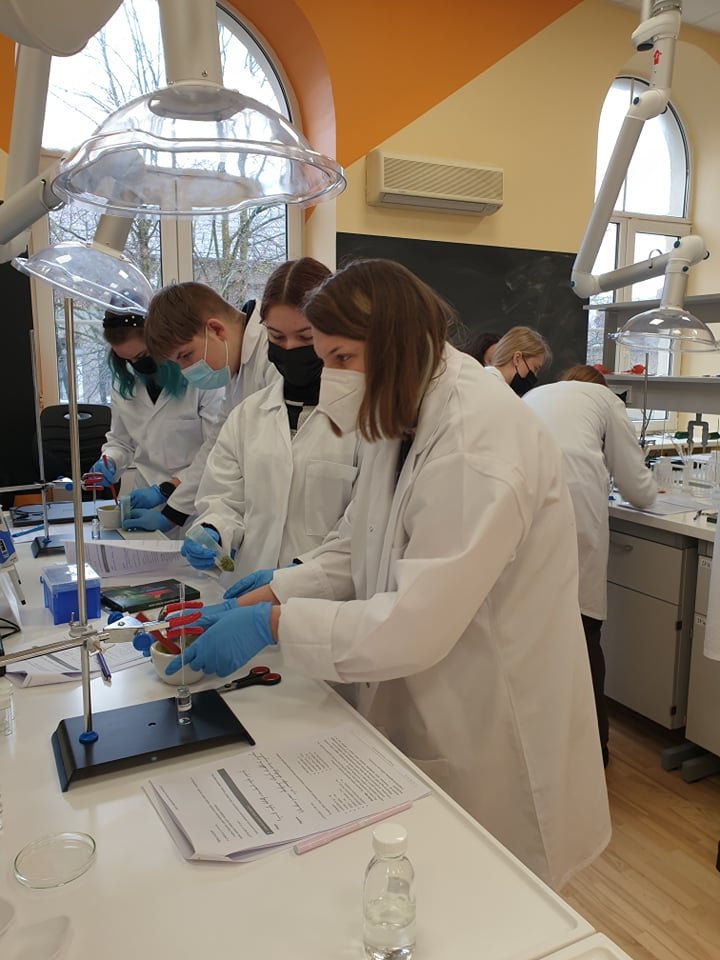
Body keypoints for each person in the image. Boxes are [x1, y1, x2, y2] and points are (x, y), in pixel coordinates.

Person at [161, 259, 611, 890]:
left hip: (493, 715)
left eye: (341, 357)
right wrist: (270, 592)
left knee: (494, 896)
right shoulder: (401, 404)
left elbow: (414, 625)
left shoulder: (474, 440)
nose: (330, 378)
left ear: (395, 339)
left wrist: (274, 624)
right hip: (428, 692)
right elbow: (358, 541)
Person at [182, 257, 361, 577]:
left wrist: (298, 577)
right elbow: (223, 499)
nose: (290, 348)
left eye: (306, 338)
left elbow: (361, 525)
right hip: (249, 587)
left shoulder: (365, 422)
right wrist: (214, 529)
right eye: (277, 338)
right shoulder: (247, 416)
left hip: (327, 597)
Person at [523, 364, 658, 767]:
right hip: (573, 507)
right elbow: (635, 483)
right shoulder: (604, 399)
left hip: (525, 508)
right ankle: (593, 750)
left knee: (535, 630)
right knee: (584, 630)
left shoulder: (536, 395)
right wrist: (652, 493)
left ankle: (537, 743)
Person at [91, 309, 225, 534]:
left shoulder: (200, 379)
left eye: (141, 355)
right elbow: (121, 442)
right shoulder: (124, 383)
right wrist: (111, 460)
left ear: (161, 343)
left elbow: (216, 451)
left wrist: (165, 491)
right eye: (126, 359)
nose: (135, 365)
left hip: (194, 501)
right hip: (143, 501)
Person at [143, 280, 278, 422]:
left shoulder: (272, 352)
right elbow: (224, 429)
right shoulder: (233, 363)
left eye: (186, 355)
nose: (185, 370)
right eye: (177, 363)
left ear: (216, 330)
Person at [488, 325, 550, 396]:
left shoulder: (481, 375)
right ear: (517, 358)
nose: (534, 376)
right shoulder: (502, 395)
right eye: (535, 368)